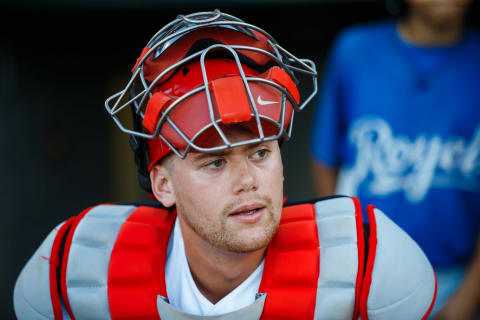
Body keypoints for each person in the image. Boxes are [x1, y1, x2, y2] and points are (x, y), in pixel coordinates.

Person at [14, 10, 436, 319]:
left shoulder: (366, 261)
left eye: (260, 152)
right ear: (162, 184)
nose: (249, 181)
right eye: (214, 163)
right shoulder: (76, 265)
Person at [310, 0, 480, 318]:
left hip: (457, 276)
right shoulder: (355, 50)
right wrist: (343, 261)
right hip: (367, 276)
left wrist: (467, 298)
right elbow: (324, 159)